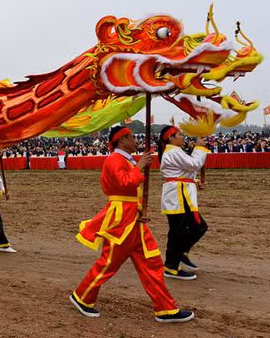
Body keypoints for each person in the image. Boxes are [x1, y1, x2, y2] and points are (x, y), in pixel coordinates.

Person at [70, 126, 194, 323]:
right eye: (132, 137)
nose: (137, 141)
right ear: (121, 140)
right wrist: (140, 166)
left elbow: (131, 190)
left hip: (133, 219)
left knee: (152, 263)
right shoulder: (114, 159)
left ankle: (165, 309)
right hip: (122, 221)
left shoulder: (125, 159)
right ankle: (82, 297)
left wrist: (141, 212)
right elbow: (124, 182)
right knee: (109, 263)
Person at [158, 126, 208, 281]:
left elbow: (183, 172)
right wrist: (199, 148)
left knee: (198, 227)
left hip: (182, 194)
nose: (183, 136)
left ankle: (181, 253)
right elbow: (194, 164)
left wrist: (195, 182)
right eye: (180, 134)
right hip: (177, 196)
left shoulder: (176, 151)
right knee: (178, 232)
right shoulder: (172, 151)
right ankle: (171, 267)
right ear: (170, 137)